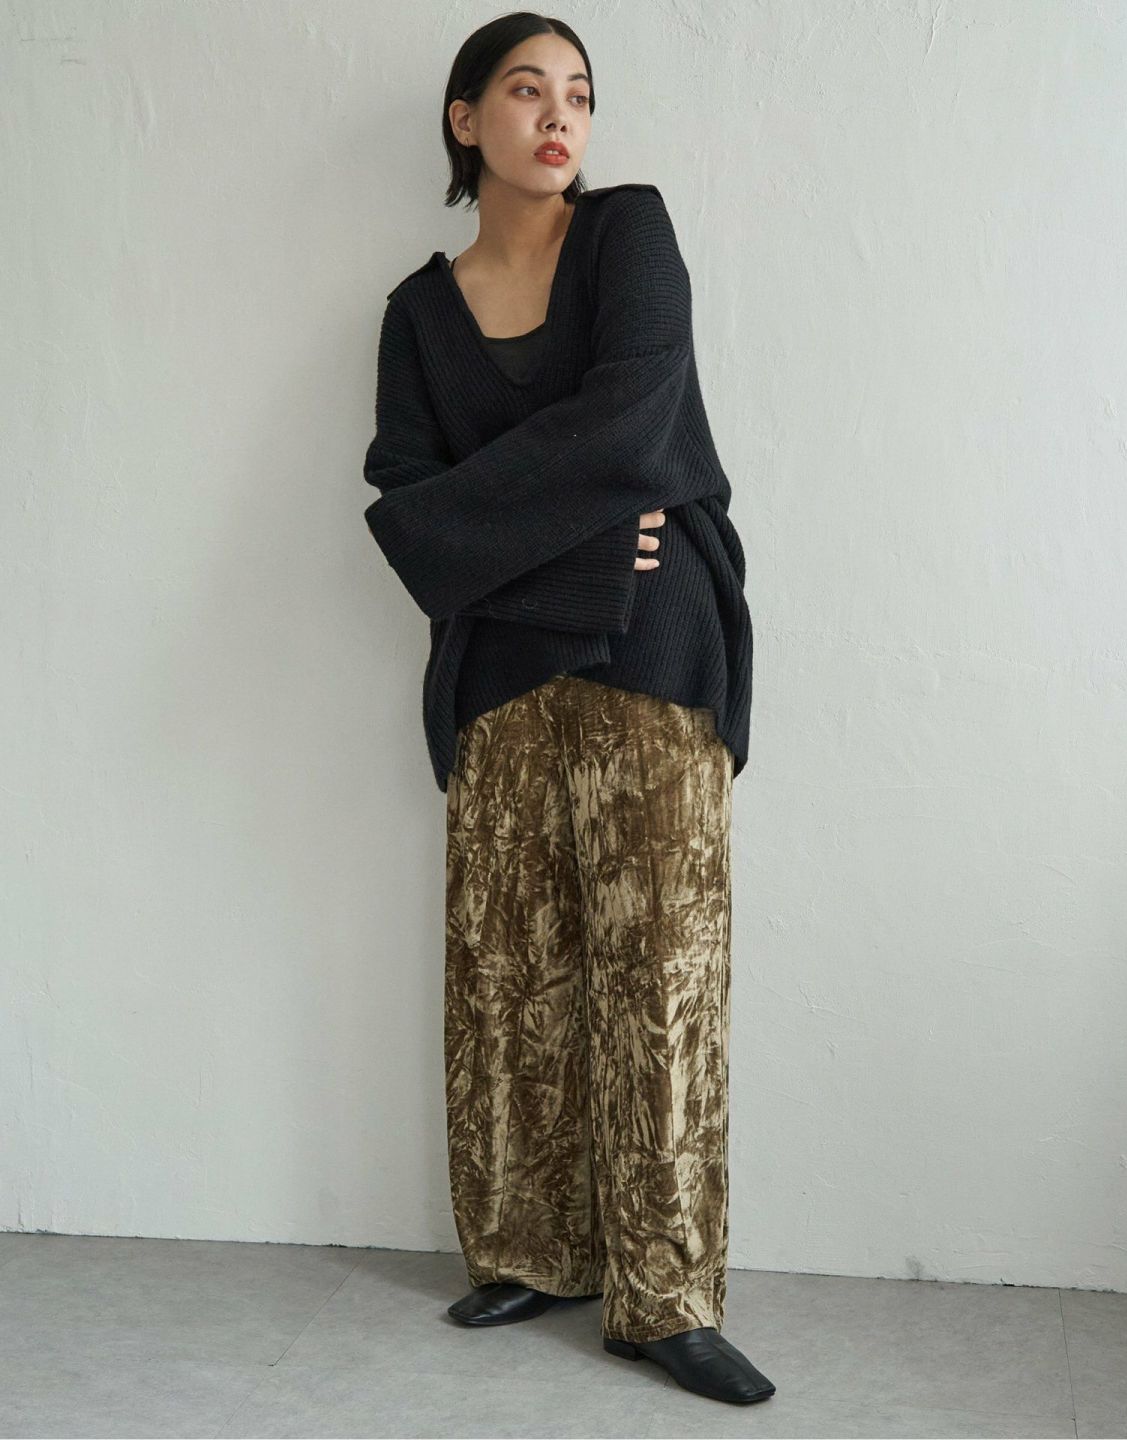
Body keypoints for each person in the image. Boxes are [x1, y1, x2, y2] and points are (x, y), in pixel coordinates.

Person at [362, 12, 769, 1407]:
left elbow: (636, 422)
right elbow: (404, 515)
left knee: (663, 976)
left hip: (655, 652)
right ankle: (533, 1248)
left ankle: (666, 1297)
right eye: (527, 89)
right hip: (499, 678)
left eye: (579, 94)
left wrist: (499, 544)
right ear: (464, 118)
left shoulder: (628, 237)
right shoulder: (417, 315)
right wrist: (586, 554)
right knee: (508, 974)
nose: (559, 115)